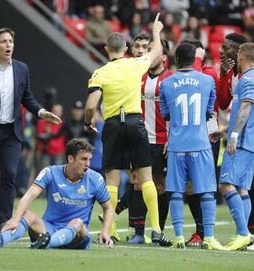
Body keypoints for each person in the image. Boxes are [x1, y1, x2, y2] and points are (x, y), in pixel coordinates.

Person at [83, 13, 171, 246]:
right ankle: (156, 230)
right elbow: (157, 52)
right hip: (135, 123)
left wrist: (87, 121)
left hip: (113, 124)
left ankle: (109, 231)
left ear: (105, 48)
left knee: (111, 181)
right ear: (126, 48)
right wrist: (156, 31)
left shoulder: (100, 73)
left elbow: (92, 105)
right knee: (146, 178)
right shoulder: (135, 64)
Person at [0, 27, 61, 235]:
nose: (8, 45)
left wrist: (42, 112)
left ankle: (4, 221)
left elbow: (27, 98)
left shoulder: (21, 69)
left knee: (9, 175)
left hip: (11, 133)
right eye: (3, 41)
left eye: (10, 41)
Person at [214, 33, 254, 251]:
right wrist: (226, 130)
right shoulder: (245, 76)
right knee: (243, 187)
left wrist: (241, 135)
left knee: (227, 184)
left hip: (252, 136)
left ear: (240, 52)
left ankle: (248, 234)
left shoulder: (251, 77)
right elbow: (227, 104)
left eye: (227, 48)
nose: (222, 52)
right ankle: (248, 235)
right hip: (246, 135)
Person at [0, 138, 113, 249]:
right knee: (27, 215)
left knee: (77, 222)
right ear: (70, 158)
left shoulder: (96, 179)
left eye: (89, 159)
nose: (88, 164)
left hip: (77, 237)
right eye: (84, 159)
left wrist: (105, 231)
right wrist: (16, 219)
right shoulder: (51, 172)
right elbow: (29, 195)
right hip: (49, 229)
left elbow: (108, 207)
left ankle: (48, 243)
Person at [159, 42, 226, 250]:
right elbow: (209, 111)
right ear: (196, 58)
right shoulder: (207, 80)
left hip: (177, 145)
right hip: (200, 143)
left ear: (176, 60)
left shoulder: (167, 83)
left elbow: (165, 114)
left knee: (176, 192)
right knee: (206, 191)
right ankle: (209, 237)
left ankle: (178, 237)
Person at [126, 33, 172, 244]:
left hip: (162, 141)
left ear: (164, 56)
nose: (149, 53)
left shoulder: (170, 79)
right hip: (139, 138)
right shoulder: (136, 75)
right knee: (137, 184)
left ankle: (157, 231)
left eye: (155, 50)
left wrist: (172, 137)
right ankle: (137, 233)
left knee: (160, 186)